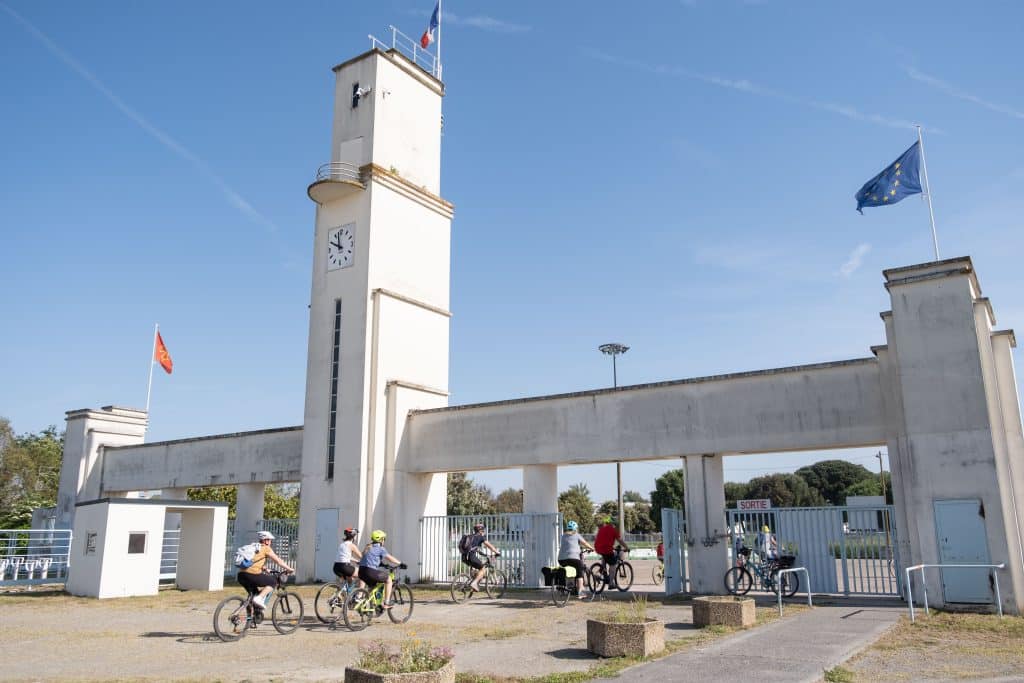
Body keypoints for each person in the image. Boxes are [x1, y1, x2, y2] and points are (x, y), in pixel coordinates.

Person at [238, 530, 294, 611]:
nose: (270, 542)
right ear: (266, 540)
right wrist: (289, 569)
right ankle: (259, 599)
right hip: (252, 574)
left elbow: (253, 561)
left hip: (241, 575)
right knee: (273, 582)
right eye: (270, 540)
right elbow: (278, 561)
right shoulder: (266, 548)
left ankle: (250, 616)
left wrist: (265, 568)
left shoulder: (254, 547)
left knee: (254, 595)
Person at [358, 529, 402, 608]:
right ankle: (386, 603)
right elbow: (389, 558)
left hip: (361, 571)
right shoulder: (381, 549)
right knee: (388, 579)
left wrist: (381, 563)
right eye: (384, 539)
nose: (384, 541)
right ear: (381, 540)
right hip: (370, 571)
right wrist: (400, 563)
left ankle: (367, 605)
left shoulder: (368, 546)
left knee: (372, 587)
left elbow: (368, 558)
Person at [558, 520, 594, 598]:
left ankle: (569, 586)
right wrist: (591, 548)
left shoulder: (563, 535)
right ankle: (581, 592)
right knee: (579, 573)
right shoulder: (576, 535)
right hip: (573, 558)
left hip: (561, 559)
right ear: (575, 529)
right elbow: (584, 543)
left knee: (568, 570)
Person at [461, 522, 500, 591]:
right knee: (483, 569)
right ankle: (474, 583)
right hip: (471, 556)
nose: (483, 531)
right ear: (481, 530)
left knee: (478, 570)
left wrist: (484, 554)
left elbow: (476, 550)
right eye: (483, 530)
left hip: (464, 557)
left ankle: (472, 583)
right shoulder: (481, 537)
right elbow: (489, 546)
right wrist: (496, 552)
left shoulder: (471, 536)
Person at [593, 516, 630, 584]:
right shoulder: (613, 530)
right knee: (613, 564)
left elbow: (603, 540)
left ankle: (599, 573)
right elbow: (620, 540)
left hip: (598, 548)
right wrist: (626, 547)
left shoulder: (601, 529)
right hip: (606, 549)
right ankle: (611, 583)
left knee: (606, 558)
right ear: (613, 523)